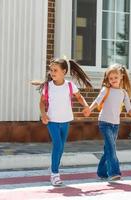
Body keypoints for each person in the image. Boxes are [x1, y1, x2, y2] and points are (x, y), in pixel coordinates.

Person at [35, 58, 92, 186]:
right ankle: (55, 174)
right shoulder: (48, 86)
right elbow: (42, 102)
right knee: (57, 145)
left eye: (55, 70)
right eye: (51, 70)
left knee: (61, 147)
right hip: (52, 120)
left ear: (64, 71)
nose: (52, 72)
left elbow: (79, 97)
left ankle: (53, 167)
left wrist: (86, 106)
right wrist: (43, 115)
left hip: (65, 120)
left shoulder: (70, 85)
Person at [85, 63, 131, 181]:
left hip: (115, 124)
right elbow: (97, 101)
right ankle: (114, 172)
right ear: (108, 79)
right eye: (110, 78)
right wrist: (89, 109)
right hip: (104, 123)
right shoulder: (106, 89)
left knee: (108, 149)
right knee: (111, 147)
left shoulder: (123, 93)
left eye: (116, 77)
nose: (113, 80)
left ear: (121, 77)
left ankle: (101, 172)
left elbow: (129, 108)